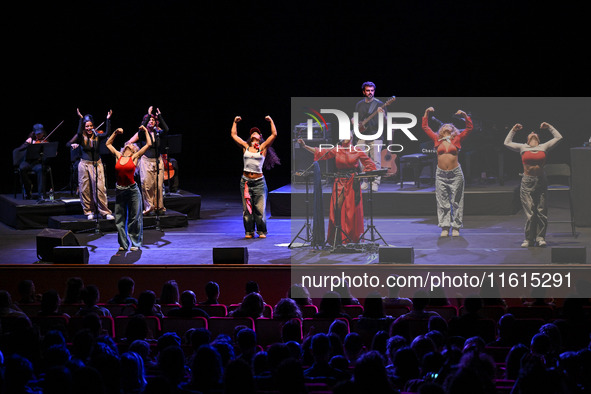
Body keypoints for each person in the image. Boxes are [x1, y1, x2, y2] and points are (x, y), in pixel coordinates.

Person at [297, 131, 376, 245]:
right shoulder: (337, 149)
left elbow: (370, 165)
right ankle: (338, 236)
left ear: (351, 137)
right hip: (339, 180)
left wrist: (361, 176)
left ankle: (349, 237)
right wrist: (305, 146)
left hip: (352, 182)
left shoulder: (357, 150)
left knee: (350, 211)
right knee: (336, 208)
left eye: (347, 135)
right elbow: (321, 152)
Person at [504, 121, 563, 247]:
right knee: (530, 213)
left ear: (539, 138)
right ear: (527, 139)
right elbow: (507, 143)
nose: (532, 133)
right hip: (527, 181)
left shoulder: (544, 146)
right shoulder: (522, 147)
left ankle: (540, 237)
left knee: (541, 210)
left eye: (534, 133)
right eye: (530, 134)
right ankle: (529, 239)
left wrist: (550, 127)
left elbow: (559, 138)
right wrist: (513, 130)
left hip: (541, 180)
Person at [422, 107, 474, 237]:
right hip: (441, 174)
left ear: (453, 130)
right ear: (440, 130)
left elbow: (469, 128)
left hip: (455, 173)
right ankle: (445, 227)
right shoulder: (436, 139)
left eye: (449, 125)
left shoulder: (457, 139)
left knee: (457, 201)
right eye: (444, 125)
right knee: (442, 201)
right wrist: (426, 113)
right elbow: (425, 127)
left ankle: (456, 227)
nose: (446, 126)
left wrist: (464, 114)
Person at [231, 115, 279, 238]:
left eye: (257, 133)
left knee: (260, 209)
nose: (255, 134)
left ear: (260, 136)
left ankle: (261, 231)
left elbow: (274, 134)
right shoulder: (246, 147)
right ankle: (249, 231)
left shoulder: (263, 148)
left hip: (259, 182)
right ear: (250, 136)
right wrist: (235, 122)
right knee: (247, 210)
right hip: (245, 182)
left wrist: (271, 121)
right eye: (253, 132)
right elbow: (234, 135)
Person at [105, 126, 152, 251]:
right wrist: (115, 132)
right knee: (119, 219)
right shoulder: (118, 156)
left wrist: (146, 131)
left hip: (132, 190)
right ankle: (123, 244)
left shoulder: (134, 157)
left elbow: (148, 144)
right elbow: (108, 143)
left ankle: (135, 243)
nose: (129, 144)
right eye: (127, 144)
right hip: (120, 190)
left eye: (132, 145)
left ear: (134, 150)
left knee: (134, 218)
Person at [69, 109, 114, 220]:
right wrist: (80, 119)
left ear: (93, 126)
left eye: (91, 126)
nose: (89, 128)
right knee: (85, 189)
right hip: (84, 165)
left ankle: (105, 212)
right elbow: (79, 133)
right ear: (84, 127)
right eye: (87, 126)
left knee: (100, 189)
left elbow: (107, 133)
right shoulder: (81, 137)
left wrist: (108, 119)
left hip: (97, 164)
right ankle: (89, 211)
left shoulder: (97, 135)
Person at [125, 106, 170, 216]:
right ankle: (149, 208)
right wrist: (148, 115)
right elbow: (140, 129)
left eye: (153, 120)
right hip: (146, 162)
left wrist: (159, 116)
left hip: (158, 161)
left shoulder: (158, 133)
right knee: (147, 186)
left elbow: (167, 129)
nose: (151, 121)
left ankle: (159, 207)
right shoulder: (143, 133)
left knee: (158, 186)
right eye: (149, 120)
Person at [354, 81, 387, 192]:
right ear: (364, 91)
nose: (370, 93)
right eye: (368, 90)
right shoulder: (359, 104)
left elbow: (386, 122)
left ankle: (375, 182)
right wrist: (354, 122)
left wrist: (383, 115)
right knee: (361, 159)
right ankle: (365, 181)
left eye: (372, 90)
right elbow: (356, 119)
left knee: (376, 161)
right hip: (362, 135)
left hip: (376, 136)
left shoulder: (380, 104)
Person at [15, 123, 50, 200]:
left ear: (43, 132)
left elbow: (48, 156)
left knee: (41, 169)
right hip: (27, 162)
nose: (39, 135)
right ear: (34, 133)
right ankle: (28, 190)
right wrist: (26, 144)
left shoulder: (45, 142)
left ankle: (41, 194)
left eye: (40, 133)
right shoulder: (30, 141)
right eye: (37, 134)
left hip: (37, 163)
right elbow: (19, 149)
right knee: (22, 168)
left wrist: (50, 152)